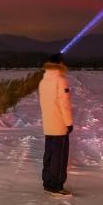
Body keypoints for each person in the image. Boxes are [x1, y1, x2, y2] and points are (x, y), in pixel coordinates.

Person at [38, 52, 73, 195]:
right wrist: (68, 122)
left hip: (48, 123)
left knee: (49, 154)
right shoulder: (61, 80)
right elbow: (64, 104)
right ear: (59, 63)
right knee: (59, 156)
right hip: (59, 124)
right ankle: (57, 185)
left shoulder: (43, 81)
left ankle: (47, 182)